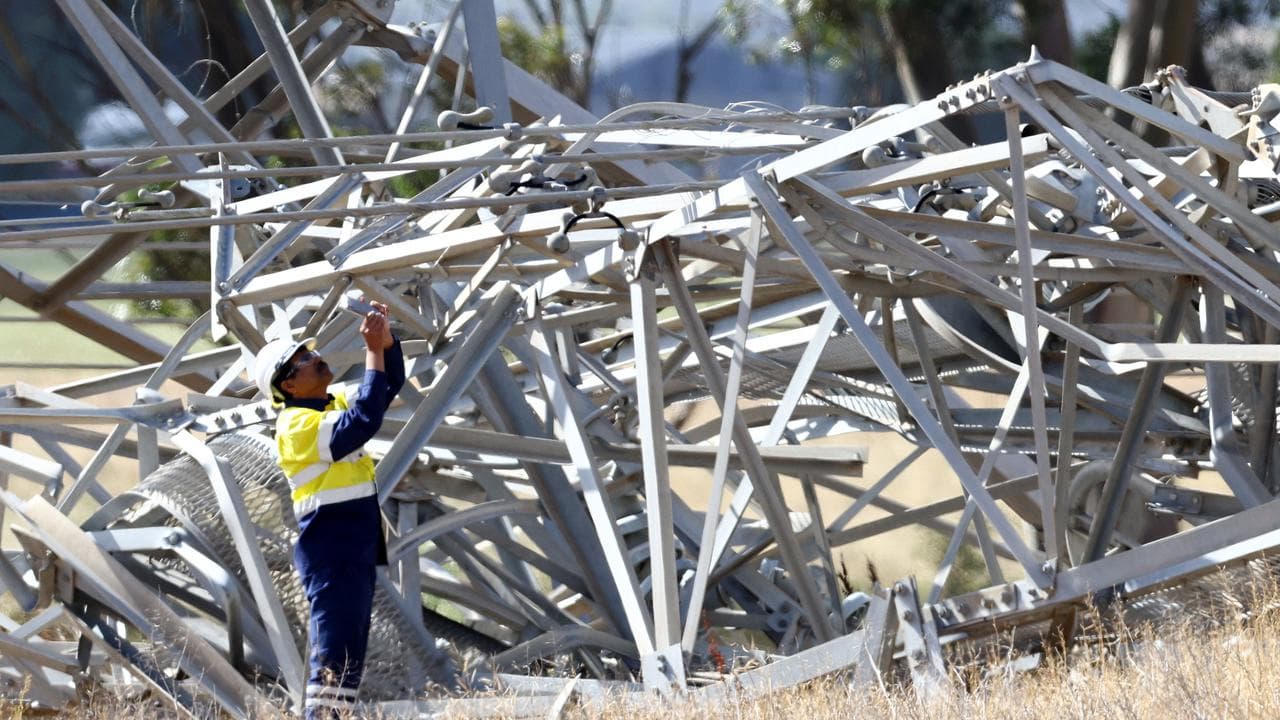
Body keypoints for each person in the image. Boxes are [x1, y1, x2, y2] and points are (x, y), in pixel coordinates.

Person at [253, 302, 401, 720]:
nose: (315, 358)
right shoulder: (296, 426)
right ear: (289, 386)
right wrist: (372, 350)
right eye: (302, 360)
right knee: (335, 657)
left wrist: (386, 345)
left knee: (348, 654)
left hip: (351, 547)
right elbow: (365, 419)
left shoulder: (327, 402)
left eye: (310, 352)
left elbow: (383, 389)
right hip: (332, 550)